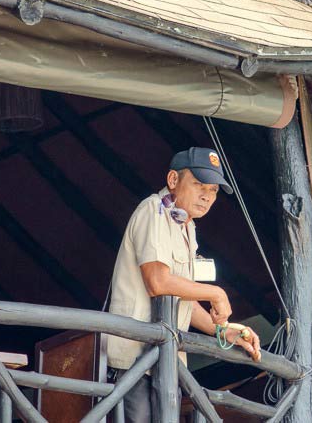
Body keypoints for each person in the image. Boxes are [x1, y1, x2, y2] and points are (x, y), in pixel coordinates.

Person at [106, 147, 261, 421]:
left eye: (213, 190)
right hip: (133, 362)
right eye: (199, 184)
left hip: (165, 364)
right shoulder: (153, 210)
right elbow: (158, 282)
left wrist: (224, 331)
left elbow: (181, 300)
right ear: (173, 180)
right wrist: (217, 293)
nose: (207, 196)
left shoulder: (187, 226)